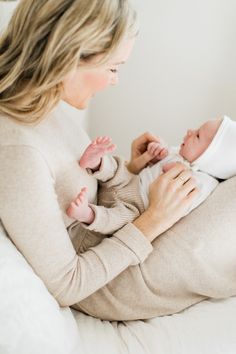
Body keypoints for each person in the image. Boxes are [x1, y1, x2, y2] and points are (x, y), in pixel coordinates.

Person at [0, 0, 236, 322]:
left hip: (114, 226)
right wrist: (154, 219)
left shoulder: (40, 103)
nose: (115, 81)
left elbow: (68, 180)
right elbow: (68, 283)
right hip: (105, 277)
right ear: (69, 56)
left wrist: (130, 169)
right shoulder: (17, 153)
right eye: (113, 68)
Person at [67, 115, 236, 232]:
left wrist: (169, 167)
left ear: (210, 159)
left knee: (117, 220)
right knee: (117, 168)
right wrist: (158, 154)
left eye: (197, 136)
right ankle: (96, 162)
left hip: (137, 207)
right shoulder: (181, 153)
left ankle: (88, 215)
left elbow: (180, 206)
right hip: (131, 181)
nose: (190, 131)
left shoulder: (203, 182)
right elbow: (156, 164)